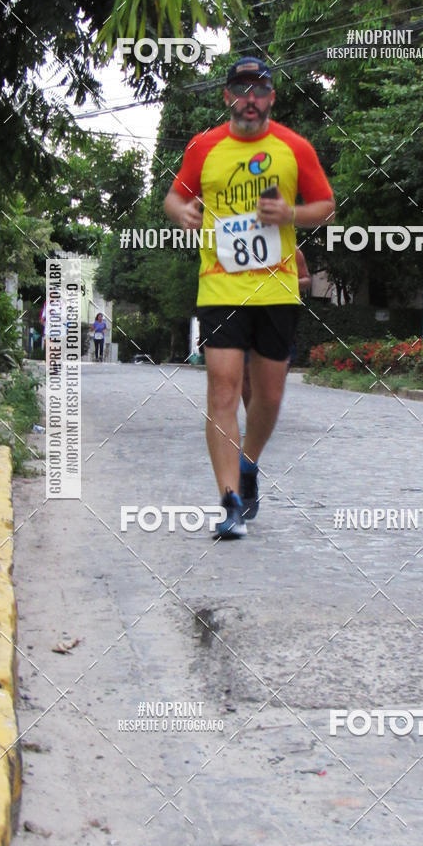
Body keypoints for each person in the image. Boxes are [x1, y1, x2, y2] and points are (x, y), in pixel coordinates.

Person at [164, 56, 335, 539]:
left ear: (271, 98)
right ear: (228, 97)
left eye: (260, 90)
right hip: (220, 284)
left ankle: (249, 464)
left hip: (276, 288)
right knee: (222, 391)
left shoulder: (294, 147)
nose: (251, 99)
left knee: (268, 397)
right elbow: (174, 196)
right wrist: (181, 212)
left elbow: (326, 206)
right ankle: (229, 502)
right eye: (242, 90)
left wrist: (290, 215)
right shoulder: (204, 147)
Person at [241, 246, 311, 410]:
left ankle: (263, 410)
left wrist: (289, 282)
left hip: (280, 319)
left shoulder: (293, 251)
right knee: (245, 372)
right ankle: (253, 415)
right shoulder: (244, 247)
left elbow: (306, 280)